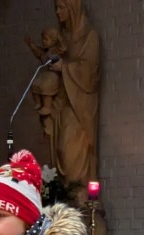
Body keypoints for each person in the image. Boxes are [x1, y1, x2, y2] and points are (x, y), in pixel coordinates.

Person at [49, 0, 100, 186]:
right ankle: (66, 192)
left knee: (69, 150)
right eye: (56, 8)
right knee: (60, 150)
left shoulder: (89, 36)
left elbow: (90, 73)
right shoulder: (62, 38)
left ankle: (79, 191)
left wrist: (64, 67)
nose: (57, 12)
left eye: (61, 7)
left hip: (79, 109)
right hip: (63, 102)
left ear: (72, 8)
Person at [26, 26, 67, 151]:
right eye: (43, 39)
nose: (43, 41)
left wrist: (60, 39)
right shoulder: (46, 52)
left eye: (46, 39)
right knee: (35, 84)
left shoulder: (56, 50)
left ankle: (47, 106)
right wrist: (32, 45)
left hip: (53, 76)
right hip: (45, 75)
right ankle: (39, 103)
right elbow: (39, 53)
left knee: (45, 88)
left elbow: (63, 50)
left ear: (54, 40)